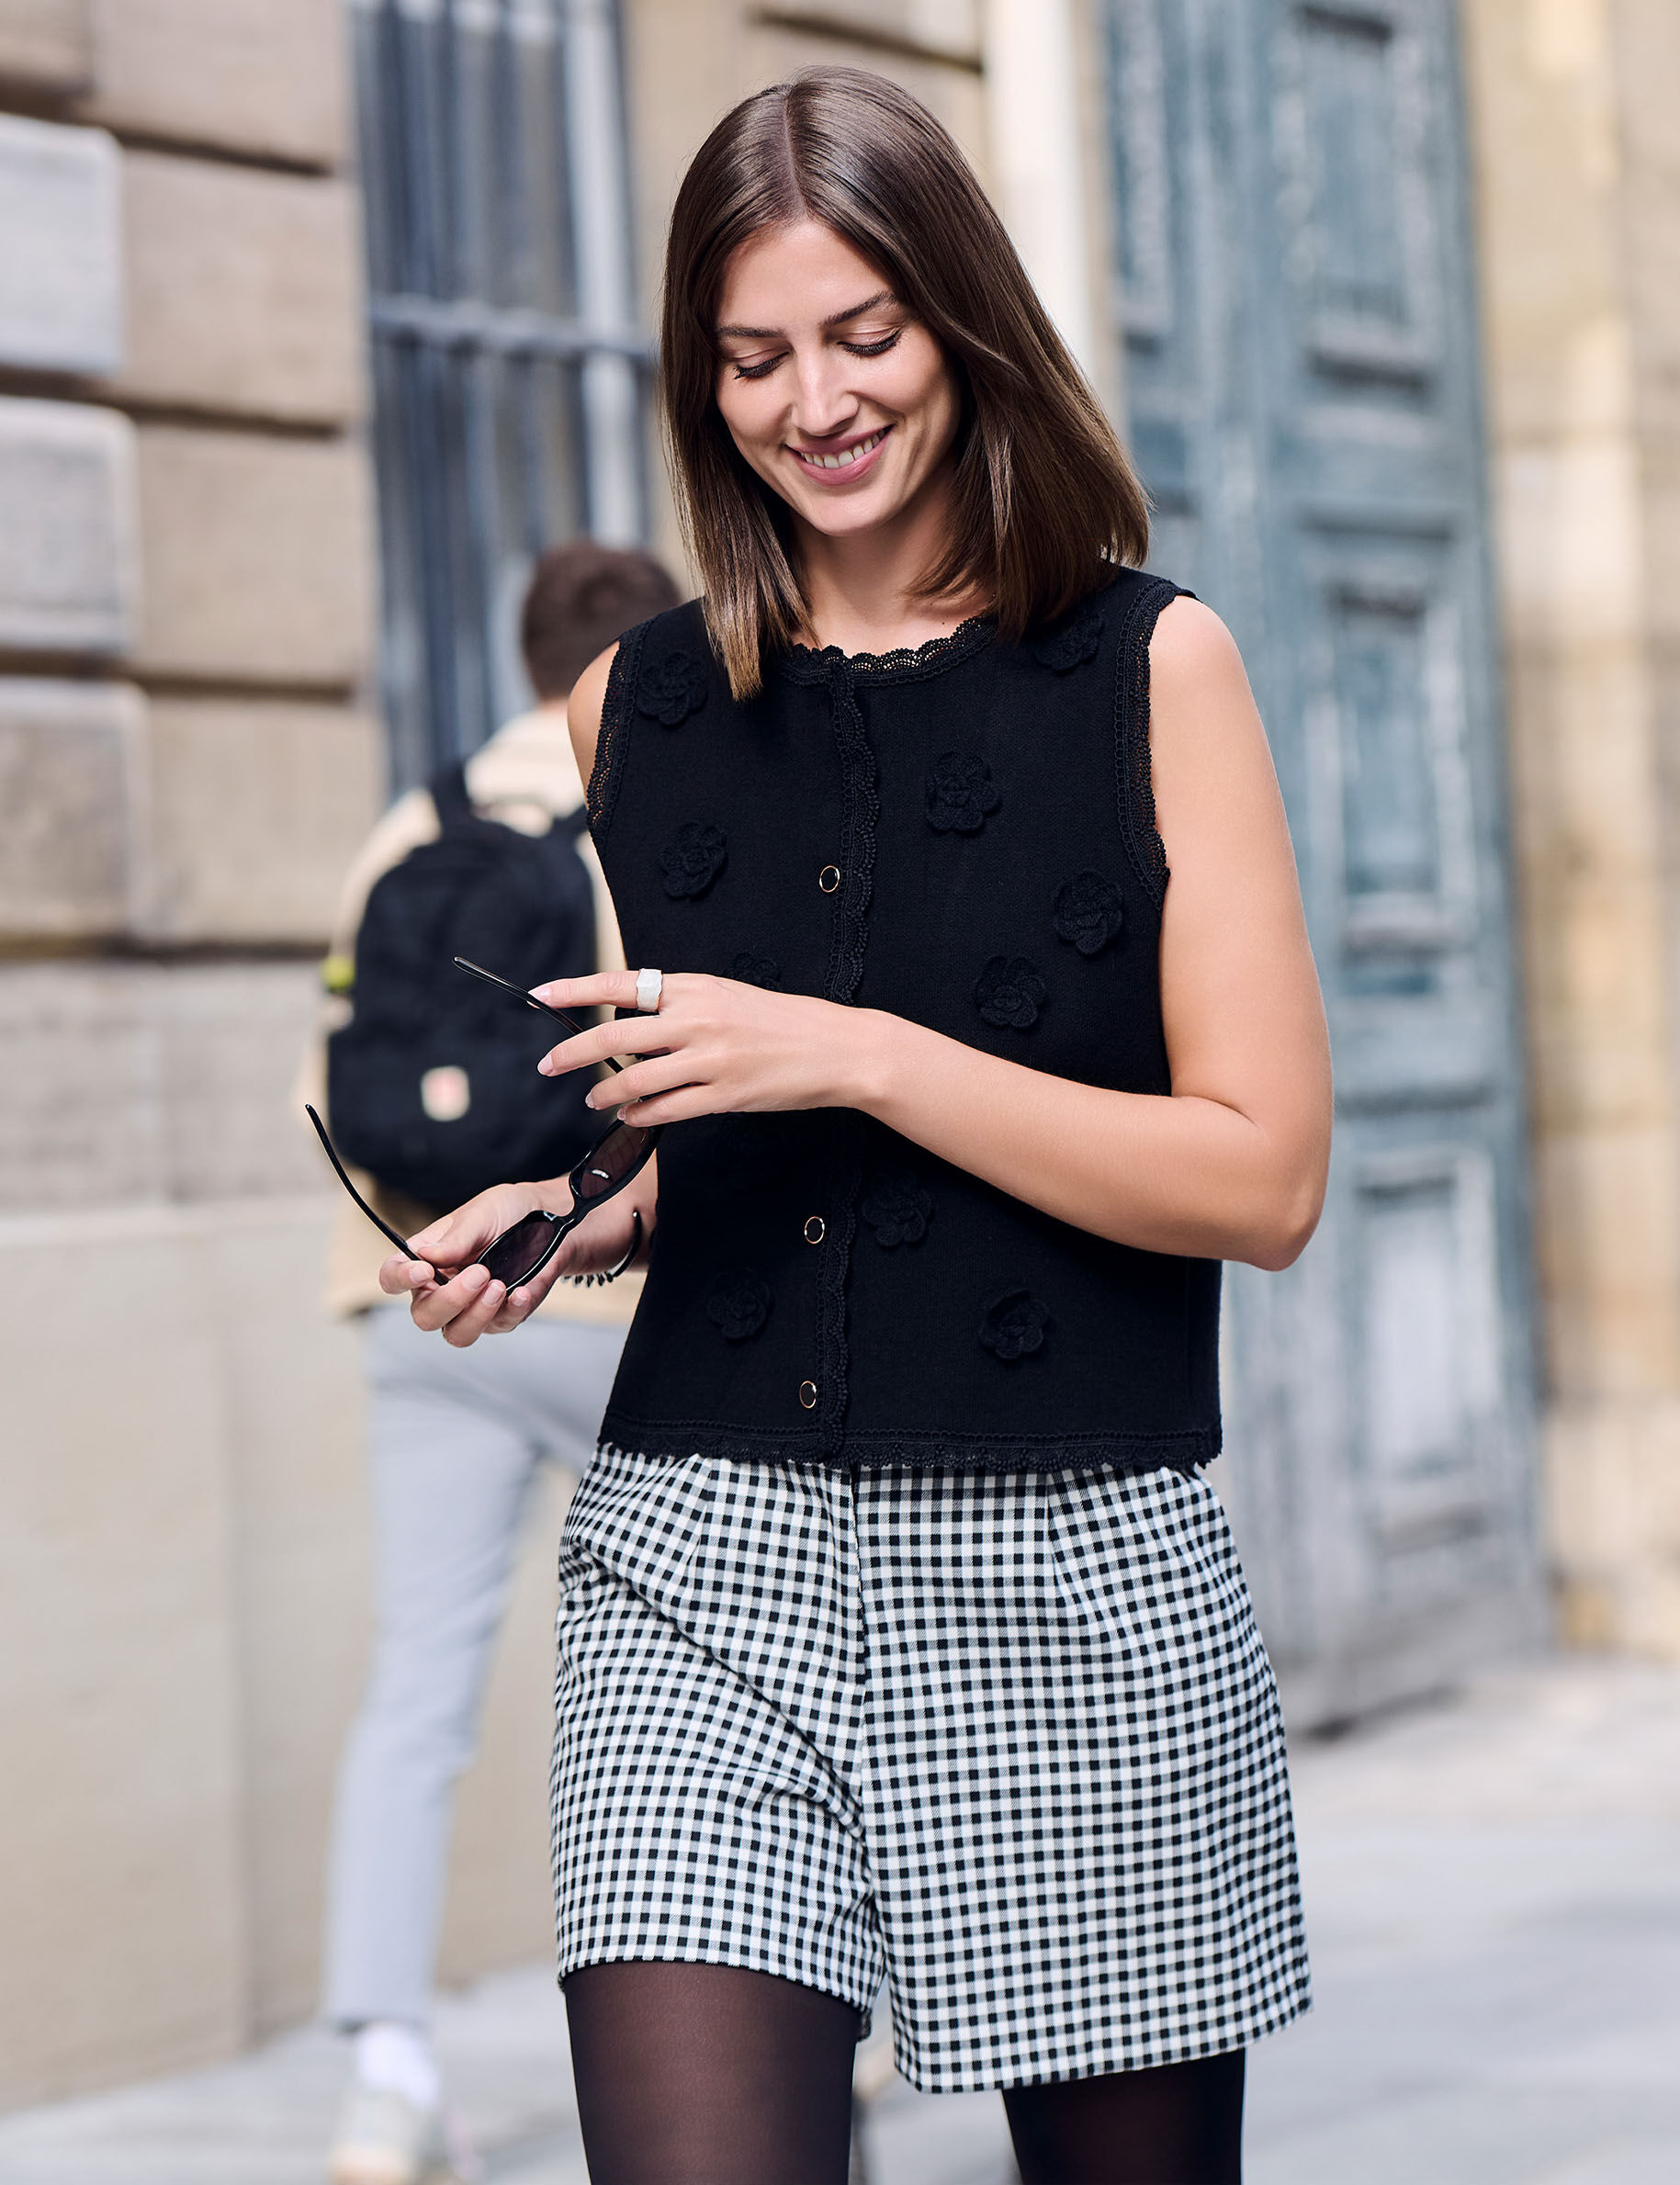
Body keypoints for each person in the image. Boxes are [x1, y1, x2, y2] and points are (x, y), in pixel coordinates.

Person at [381, 68, 1332, 2185]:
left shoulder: (1151, 668)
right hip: (699, 1564)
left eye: (862, 333)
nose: (811, 400)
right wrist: (570, 1212)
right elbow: (696, 1125)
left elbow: (1264, 1177)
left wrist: (863, 1049)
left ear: (963, 322)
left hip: (1070, 1570)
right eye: (750, 355)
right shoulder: (633, 701)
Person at [305, 543, 682, 2185]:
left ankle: (385, 2080)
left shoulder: (414, 821)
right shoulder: (660, 814)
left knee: (416, 1691)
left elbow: (339, 1050)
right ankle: (837, 2025)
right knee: (727, 1680)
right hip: (610, 1310)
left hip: (421, 1300)